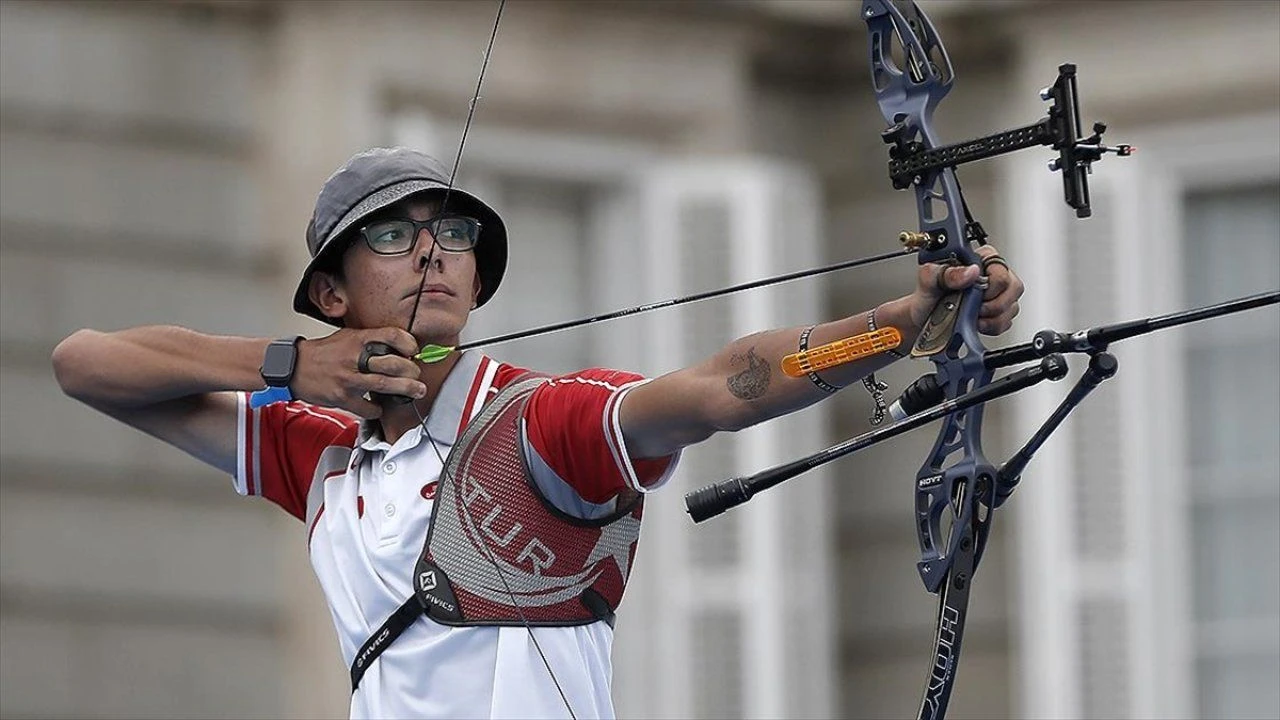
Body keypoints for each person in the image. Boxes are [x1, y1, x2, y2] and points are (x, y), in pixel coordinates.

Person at [51, 147, 1023, 719]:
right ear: (331, 293)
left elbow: (727, 387)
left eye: (454, 236)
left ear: (475, 283)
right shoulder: (318, 451)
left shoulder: (539, 422)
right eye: (393, 235)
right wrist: (284, 367)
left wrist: (899, 325)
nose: (433, 252)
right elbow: (85, 365)